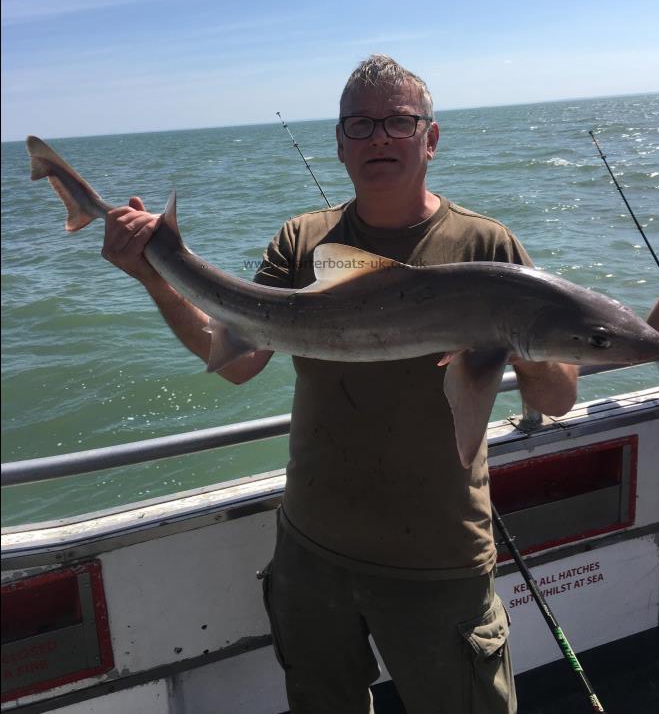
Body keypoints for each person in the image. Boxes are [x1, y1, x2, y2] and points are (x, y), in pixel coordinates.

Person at [102, 55, 578, 714]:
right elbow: (235, 358)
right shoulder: (304, 241)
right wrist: (154, 274)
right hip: (312, 550)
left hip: (437, 557)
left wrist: (513, 334)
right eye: (360, 124)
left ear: (430, 139)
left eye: (398, 121)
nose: (378, 136)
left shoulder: (485, 245)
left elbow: (555, 400)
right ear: (339, 143)